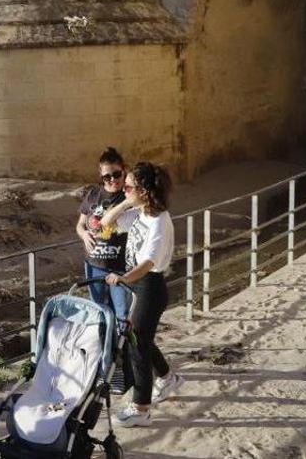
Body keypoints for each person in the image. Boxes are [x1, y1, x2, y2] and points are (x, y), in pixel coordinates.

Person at [100, 162, 182, 427]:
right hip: (137, 283)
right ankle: (169, 379)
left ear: (145, 191)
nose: (123, 189)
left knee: (137, 346)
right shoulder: (141, 213)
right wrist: (127, 201)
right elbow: (106, 223)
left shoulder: (159, 221)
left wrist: (123, 278)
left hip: (149, 286)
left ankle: (141, 408)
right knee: (141, 338)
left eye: (128, 186)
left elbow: (148, 263)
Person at [75, 147, 132, 394]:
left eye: (116, 175)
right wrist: (84, 234)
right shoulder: (92, 195)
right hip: (94, 266)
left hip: (119, 270)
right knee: (101, 316)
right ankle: (104, 367)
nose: (111, 181)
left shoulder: (128, 198)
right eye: (106, 176)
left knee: (122, 320)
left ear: (123, 171)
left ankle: (121, 369)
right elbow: (79, 224)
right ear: (100, 175)